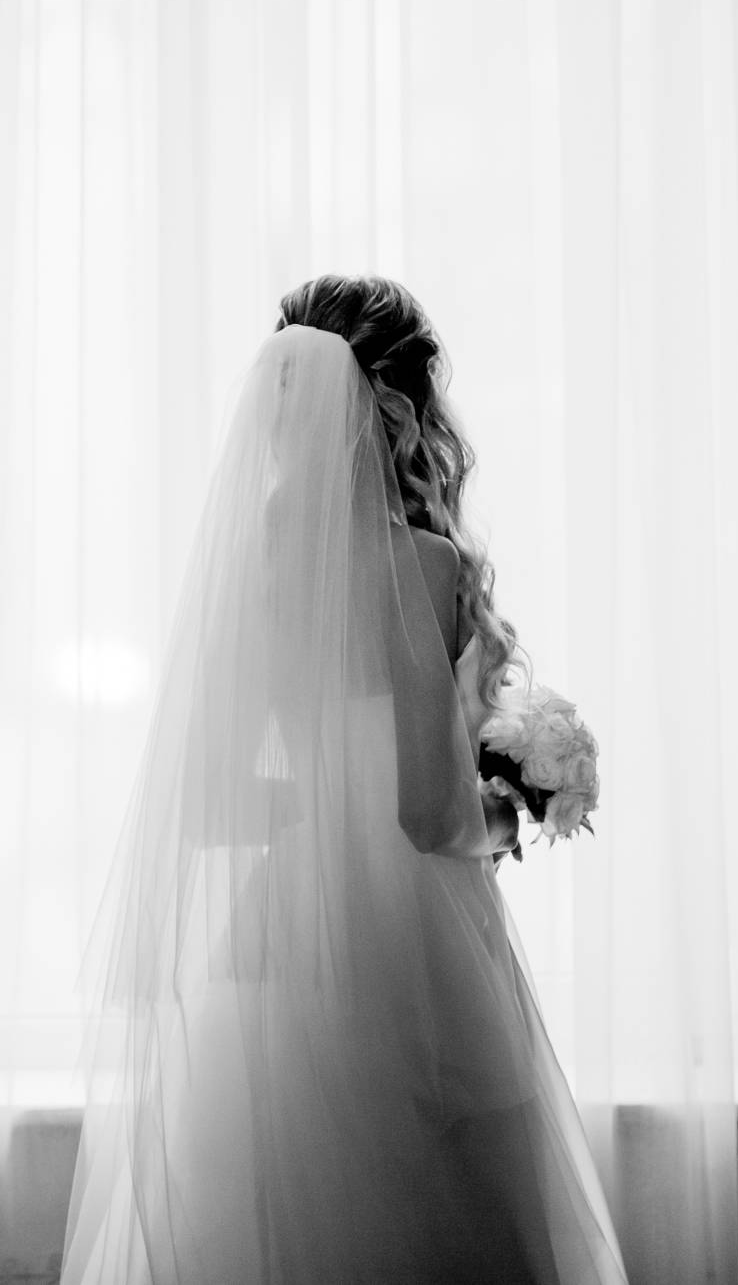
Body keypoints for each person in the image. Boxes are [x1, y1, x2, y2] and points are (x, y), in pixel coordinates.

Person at [60, 274, 628, 1283]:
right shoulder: (425, 565)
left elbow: (213, 803)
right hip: (411, 941)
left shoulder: (253, 566)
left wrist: (322, 801)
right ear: (406, 404)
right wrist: (510, 811)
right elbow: (429, 811)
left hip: (279, 938)